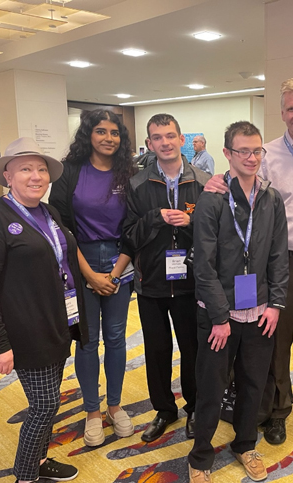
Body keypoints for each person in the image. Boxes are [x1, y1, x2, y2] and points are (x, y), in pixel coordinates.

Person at [202, 78, 293, 446]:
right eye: (289, 109)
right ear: (281, 113)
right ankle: (279, 410)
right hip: (280, 261)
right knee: (275, 340)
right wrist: (216, 182)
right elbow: (246, 189)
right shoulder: (266, 153)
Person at [0, 137, 89, 483]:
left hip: (57, 322)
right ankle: (25, 476)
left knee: (51, 399)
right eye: (25, 169)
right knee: (45, 405)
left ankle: (40, 458)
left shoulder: (49, 212)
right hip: (25, 331)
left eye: (40, 169)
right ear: (8, 175)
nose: (35, 176)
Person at [187, 121, 288, 483]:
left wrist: (276, 303)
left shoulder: (270, 198)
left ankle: (245, 444)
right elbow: (203, 266)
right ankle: (199, 457)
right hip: (219, 315)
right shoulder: (212, 199)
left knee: (253, 384)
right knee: (211, 389)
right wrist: (218, 317)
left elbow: (278, 255)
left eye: (257, 150)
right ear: (227, 153)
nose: (251, 157)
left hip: (259, 311)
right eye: (242, 150)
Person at [49, 109, 137, 447]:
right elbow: (61, 225)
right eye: (101, 131)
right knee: (87, 341)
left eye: (115, 133)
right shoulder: (71, 171)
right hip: (79, 260)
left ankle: (114, 406)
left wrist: (115, 273)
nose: (109, 138)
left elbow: (134, 225)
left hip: (120, 260)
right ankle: (91, 411)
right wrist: (87, 272)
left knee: (115, 338)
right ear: (90, 134)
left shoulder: (128, 172)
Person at [123, 113, 210, 442]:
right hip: (151, 283)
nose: (165, 142)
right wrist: (155, 218)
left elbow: (217, 234)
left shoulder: (202, 180)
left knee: (192, 349)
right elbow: (129, 235)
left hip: (191, 281)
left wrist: (192, 225)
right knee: (156, 350)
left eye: (170, 136)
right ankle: (164, 409)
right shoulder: (137, 184)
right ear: (149, 144)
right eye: (157, 137)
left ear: (181, 139)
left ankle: (195, 407)